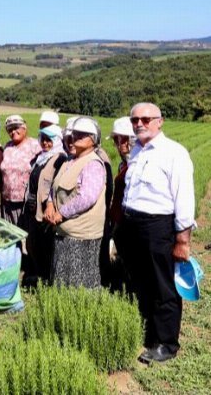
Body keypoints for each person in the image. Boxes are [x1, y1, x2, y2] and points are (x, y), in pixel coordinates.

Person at [122, 103, 195, 363]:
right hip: (134, 225)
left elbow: (184, 198)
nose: (139, 123)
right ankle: (149, 333)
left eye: (145, 119)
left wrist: (182, 239)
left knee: (163, 285)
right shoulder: (137, 152)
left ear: (160, 121)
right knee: (142, 282)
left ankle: (167, 343)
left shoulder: (173, 153)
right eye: (134, 120)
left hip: (158, 227)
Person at [45, 117, 107, 288]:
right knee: (62, 279)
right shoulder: (69, 161)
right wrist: (50, 204)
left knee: (80, 283)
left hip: (81, 235)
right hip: (65, 231)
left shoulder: (93, 164)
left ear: (93, 140)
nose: (77, 136)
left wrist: (60, 214)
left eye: (83, 134)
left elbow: (86, 197)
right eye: (76, 133)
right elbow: (54, 187)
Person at [21, 124, 67, 286]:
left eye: (49, 140)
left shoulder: (60, 158)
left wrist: (49, 204)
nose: (46, 143)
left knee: (45, 244)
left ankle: (47, 279)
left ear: (57, 141)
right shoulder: (42, 157)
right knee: (33, 243)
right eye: (43, 139)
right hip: (33, 205)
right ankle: (39, 275)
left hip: (46, 208)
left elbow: (56, 183)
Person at [104, 116, 136, 291]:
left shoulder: (136, 164)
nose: (116, 144)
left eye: (117, 139)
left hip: (130, 223)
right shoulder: (124, 164)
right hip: (120, 222)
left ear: (126, 140)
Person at [0, 115, 41, 226]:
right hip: (7, 199)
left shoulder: (35, 145)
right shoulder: (8, 146)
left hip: (25, 201)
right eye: (10, 129)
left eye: (16, 128)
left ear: (24, 128)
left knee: (25, 233)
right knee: (10, 233)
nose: (13, 131)